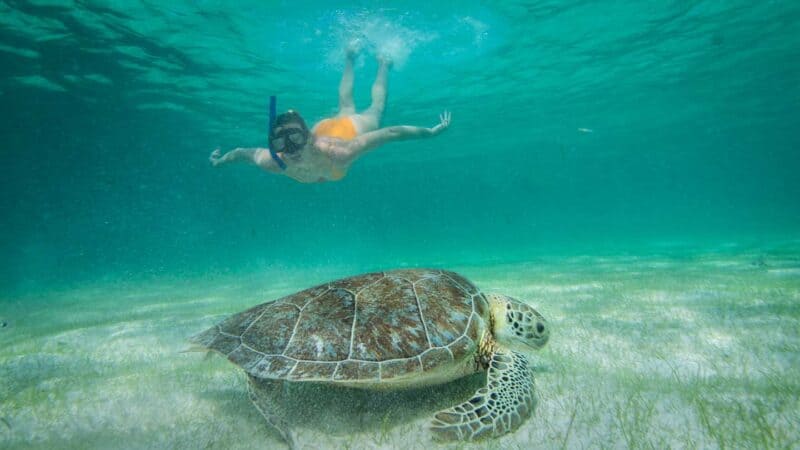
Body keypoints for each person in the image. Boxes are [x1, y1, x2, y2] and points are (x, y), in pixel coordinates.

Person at [209, 49, 451, 183]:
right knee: (345, 104)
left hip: (348, 130)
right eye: (281, 142)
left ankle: (382, 63)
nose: (289, 149)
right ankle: (349, 57)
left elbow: (389, 133)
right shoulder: (274, 161)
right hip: (325, 131)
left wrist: (429, 133)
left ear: (308, 136)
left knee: (375, 109)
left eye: (294, 138)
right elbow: (242, 153)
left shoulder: (340, 153)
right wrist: (220, 162)